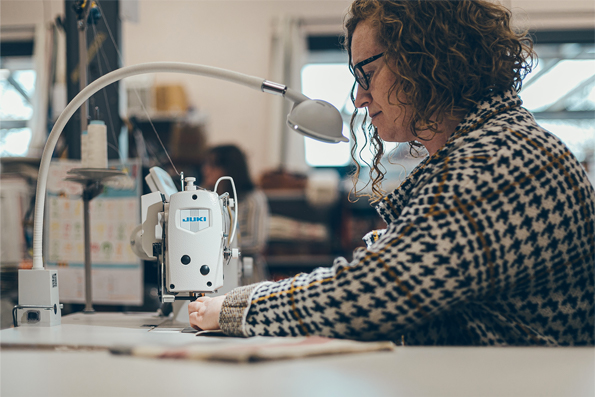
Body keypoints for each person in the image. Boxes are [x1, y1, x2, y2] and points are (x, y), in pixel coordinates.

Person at [189, 0, 594, 345]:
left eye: (366, 73)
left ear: (428, 57)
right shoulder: (497, 146)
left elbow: (372, 292)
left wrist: (231, 308)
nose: (360, 98)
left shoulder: (499, 159)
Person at [202, 144, 270, 283]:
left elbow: (256, 243)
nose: (205, 170)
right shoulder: (208, 197)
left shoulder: (253, 199)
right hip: (216, 273)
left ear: (229, 169)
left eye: (213, 165)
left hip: (246, 278)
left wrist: (214, 245)